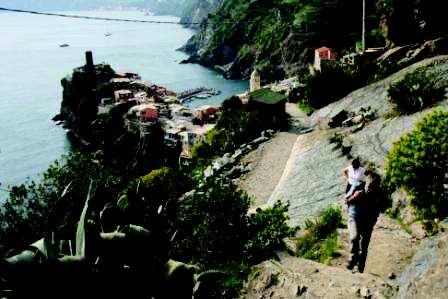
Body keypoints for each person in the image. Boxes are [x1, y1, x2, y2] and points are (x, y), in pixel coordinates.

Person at [344, 170, 381, 273]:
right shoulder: (358, 187)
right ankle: (352, 261)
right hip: (354, 216)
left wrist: (373, 219)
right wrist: (354, 196)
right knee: (354, 237)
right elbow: (346, 200)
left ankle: (360, 270)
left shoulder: (378, 195)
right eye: (369, 186)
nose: (370, 189)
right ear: (366, 183)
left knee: (364, 246)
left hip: (368, 220)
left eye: (373, 186)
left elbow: (381, 207)